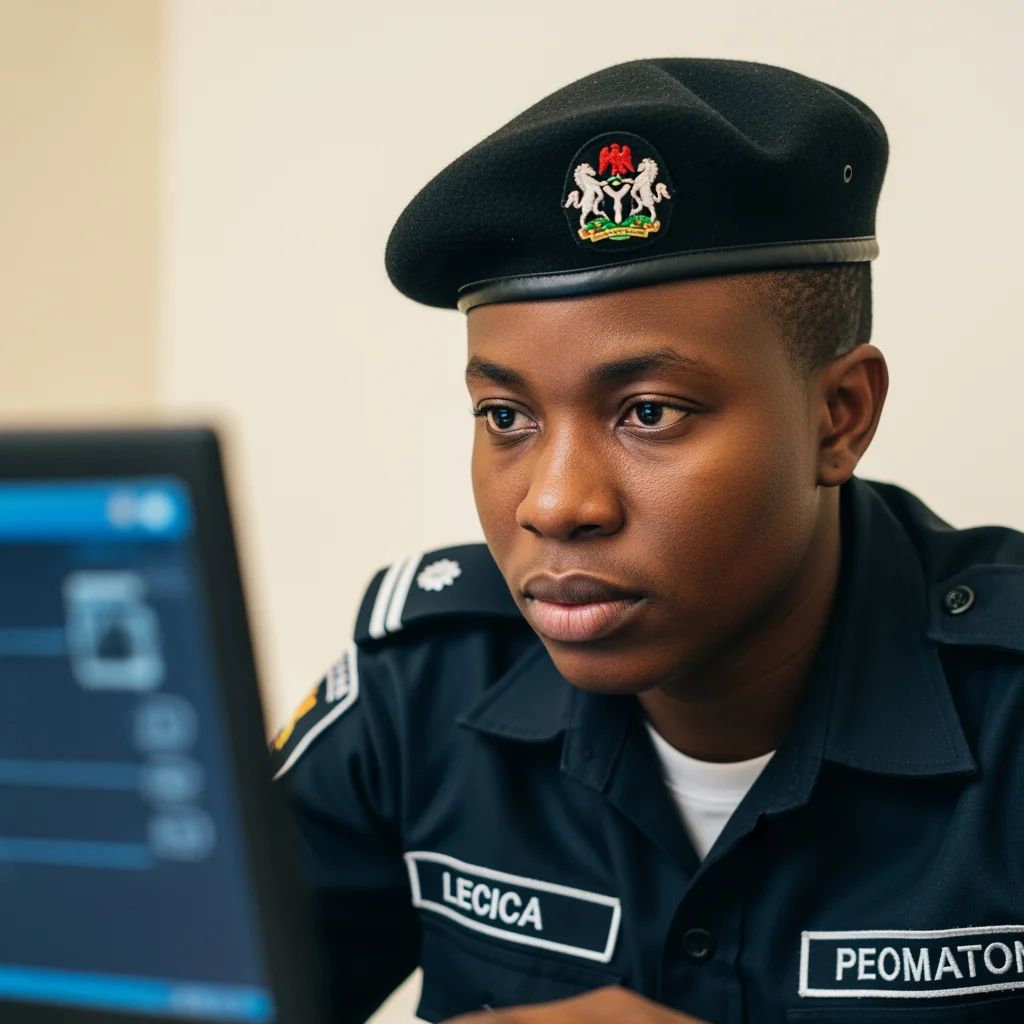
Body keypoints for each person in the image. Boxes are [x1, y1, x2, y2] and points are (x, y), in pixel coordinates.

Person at [270, 58, 1024, 1024]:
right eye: (506, 417)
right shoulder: (423, 687)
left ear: (839, 416)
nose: (554, 504)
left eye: (650, 412)